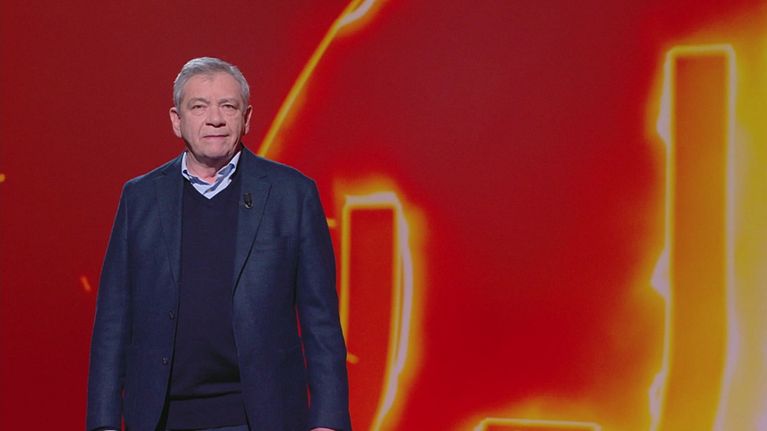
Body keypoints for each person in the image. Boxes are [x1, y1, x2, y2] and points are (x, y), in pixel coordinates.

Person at [86, 57, 351, 431]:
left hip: (261, 418)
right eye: (199, 107)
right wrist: (104, 424)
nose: (215, 119)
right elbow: (112, 322)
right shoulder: (140, 198)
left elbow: (321, 322)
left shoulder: (293, 195)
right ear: (176, 120)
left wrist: (328, 422)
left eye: (228, 106)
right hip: (161, 419)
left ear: (247, 118)